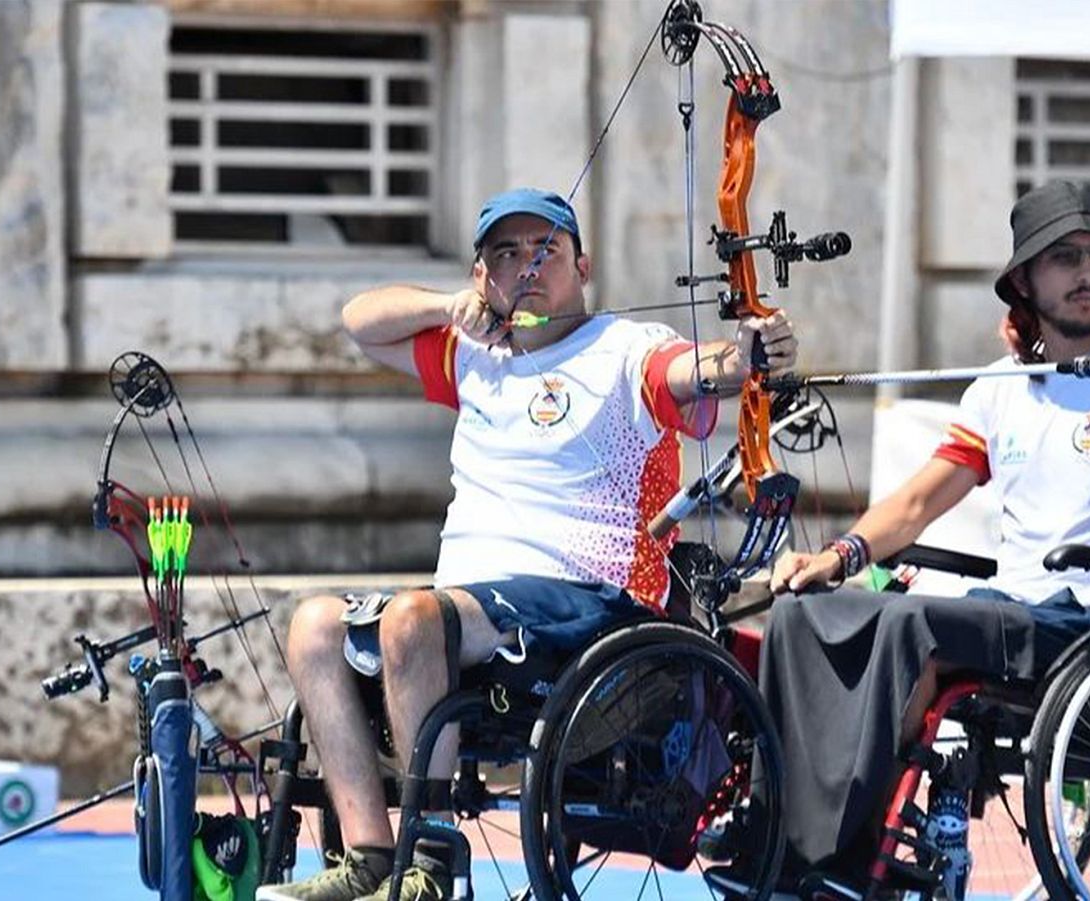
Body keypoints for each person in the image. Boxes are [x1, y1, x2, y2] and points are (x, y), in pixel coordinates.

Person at [258, 187, 797, 901]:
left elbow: (699, 372)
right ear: (485, 276)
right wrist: (446, 304)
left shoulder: (627, 348)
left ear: (584, 264)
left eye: (546, 250)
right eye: (506, 254)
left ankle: (433, 863)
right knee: (314, 627)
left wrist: (746, 356)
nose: (527, 267)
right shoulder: (472, 355)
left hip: (593, 600)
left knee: (414, 620)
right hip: (470, 606)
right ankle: (372, 857)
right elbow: (359, 321)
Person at [758, 180, 1090, 892]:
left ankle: (849, 857)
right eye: (1065, 256)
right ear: (1025, 281)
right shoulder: (1000, 388)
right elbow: (918, 502)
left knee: (911, 622)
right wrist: (840, 554)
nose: (1087, 273)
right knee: (803, 612)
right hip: (1011, 606)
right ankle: (778, 834)